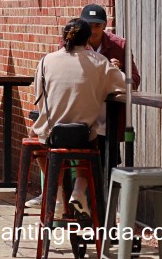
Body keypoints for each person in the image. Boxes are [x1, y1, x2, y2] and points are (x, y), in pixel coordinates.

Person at [28, 18, 127, 220]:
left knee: (34, 134)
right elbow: (123, 86)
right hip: (84, 134)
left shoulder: (46, 61)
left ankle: (56, 193)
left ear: (64, 37)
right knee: (92, 141)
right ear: (87, 40)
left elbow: (39, 97)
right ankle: (79, 189)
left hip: (53, 135)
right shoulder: (100, 62)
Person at [80, 3, 140, 168]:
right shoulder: (74, 44)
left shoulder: (120, 46)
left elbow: (134, 80)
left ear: (105, 25)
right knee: (85, 165)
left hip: (109, 119)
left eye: (97, 25)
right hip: (82, 116)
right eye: (89, 25)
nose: (93, 30)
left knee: (109, 165)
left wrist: (118, 72)